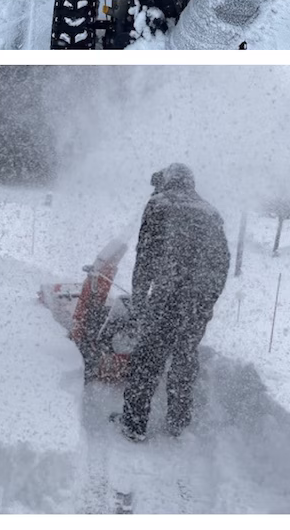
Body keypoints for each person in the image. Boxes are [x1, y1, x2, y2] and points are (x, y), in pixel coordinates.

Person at [118, 162, 229, 442]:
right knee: (185, 355)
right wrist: (206, 301)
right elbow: (222, 263)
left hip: (168, 297)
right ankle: (178, 421)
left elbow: (145, 257)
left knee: (147, 358)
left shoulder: (159, 204)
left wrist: (139, 302)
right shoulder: (211, 212)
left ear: (166, 181)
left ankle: (134, 424)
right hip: (198, 301)